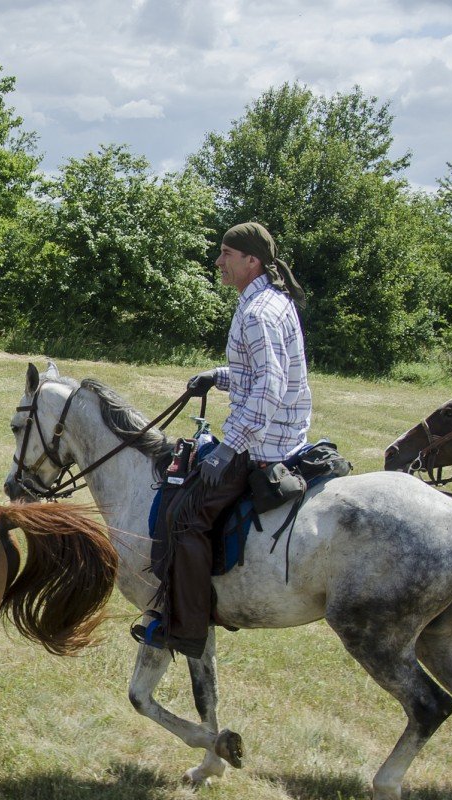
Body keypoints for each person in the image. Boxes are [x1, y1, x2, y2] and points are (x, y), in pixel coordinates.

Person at [160, 221, 313, 656]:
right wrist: (219, 377)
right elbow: (256, 374)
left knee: (186, 516)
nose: (218, 261)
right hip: (283, 430)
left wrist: (230, 447)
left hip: (264, 443)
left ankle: (186, 630)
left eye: (226, 254)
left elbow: (270, 386)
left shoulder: (258, 311)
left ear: (252, 260)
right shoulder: (271, 301)